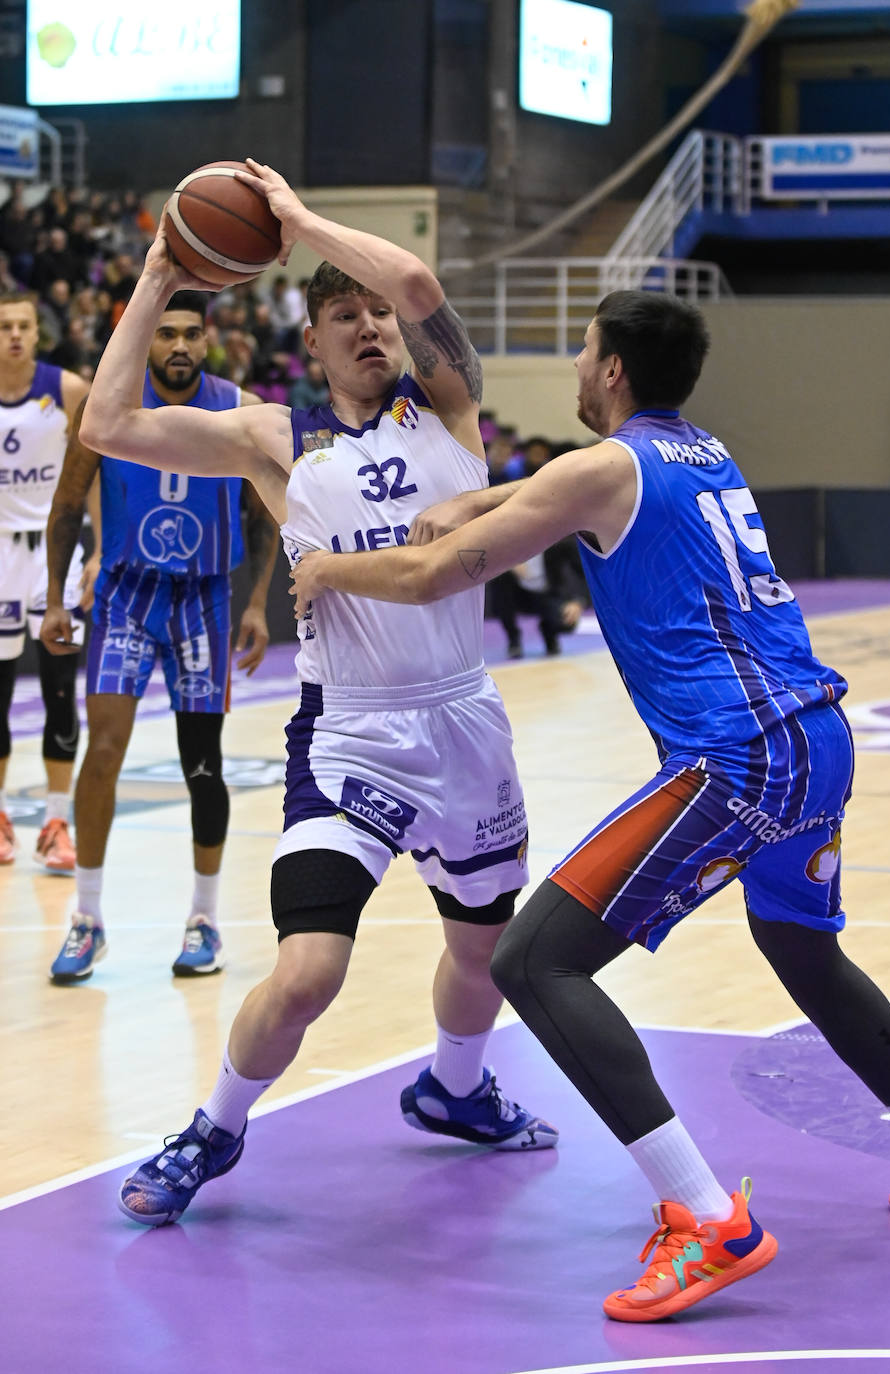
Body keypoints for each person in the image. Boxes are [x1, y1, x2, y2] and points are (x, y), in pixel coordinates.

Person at [288, 289, 890, 1320]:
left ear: (612, 370)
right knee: (803, 949)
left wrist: (322, 570)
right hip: (818, 739)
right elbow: (557, 491)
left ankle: (706, 1219)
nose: (574, 367)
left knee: (534, 961)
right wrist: (477, 501)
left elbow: (437, 573)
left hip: (734, 756)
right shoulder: (702, 451)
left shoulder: (602, 467)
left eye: (580, 350)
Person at [78, 161, 556, 1226]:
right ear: (313, 345)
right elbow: (106, 424)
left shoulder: (448, 409)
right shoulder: (273, 438)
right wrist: (161, 273)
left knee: (483, 955)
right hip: (348, 734)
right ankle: (214, 1130)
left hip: (464, 721)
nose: (371, 323)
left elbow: (423, 284)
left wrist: (301, 223)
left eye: (375, 309)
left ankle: (456, 1086)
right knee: (306, 974)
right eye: (345, 313)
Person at [41, 291, 279, 982]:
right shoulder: (108, 403)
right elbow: (65, 504)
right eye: (166, 332)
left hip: (203, 597)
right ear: (146, 341)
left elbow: (264, 512)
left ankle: (204, 918)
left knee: (201, 762)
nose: (179, 344)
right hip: (125, 593)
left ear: (208, 340)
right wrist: (56, 600)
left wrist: (258, 603)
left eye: (191, 334)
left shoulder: (236, 404)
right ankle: (87, 920)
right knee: (104, 749)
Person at [0, 290, 97, 874]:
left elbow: (93, 475)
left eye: (23, 326)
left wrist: (100, 549)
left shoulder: (68, 391)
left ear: (40, 333)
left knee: (61, 687)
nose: (14, 334)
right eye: (4, 325)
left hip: (53, 555)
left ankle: (57, 821)